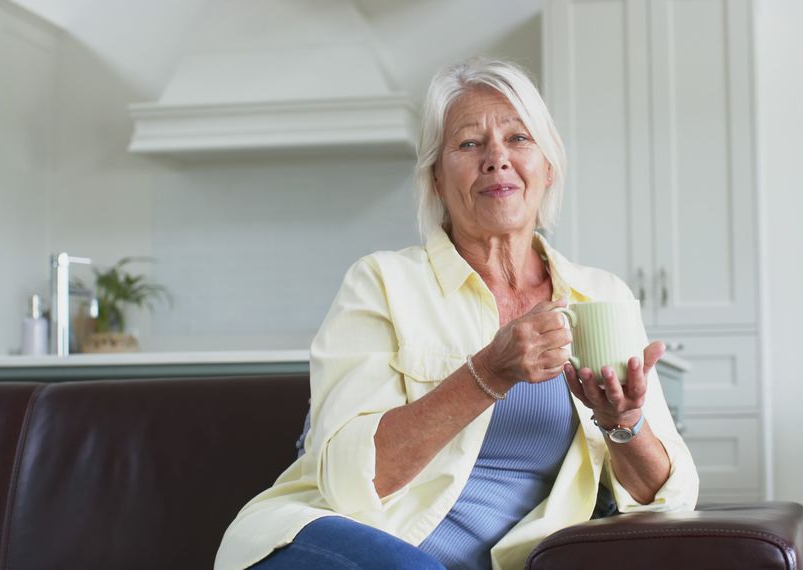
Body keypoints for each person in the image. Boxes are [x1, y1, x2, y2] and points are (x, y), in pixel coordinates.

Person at [214, 57, 698, 570]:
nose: (496, 159)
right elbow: (349, 483)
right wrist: (487, 372)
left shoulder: (597, 296)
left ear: (548, 166)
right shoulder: (381, 282)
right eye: (469, 144)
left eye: (518, 138)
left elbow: (667, 499)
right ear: (438, 180)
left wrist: (622, 423)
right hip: (341, 544)